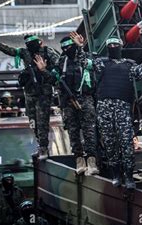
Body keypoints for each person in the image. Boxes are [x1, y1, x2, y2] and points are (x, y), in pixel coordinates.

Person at [69, 32, 142, 189]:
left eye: (115, 45)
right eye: (110, 46)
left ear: (121, 46)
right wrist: (79, 47)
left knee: (126, 145)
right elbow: (85, 62)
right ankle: (116, 175)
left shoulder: (130, 65)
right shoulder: (102, 63)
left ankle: (129, 176)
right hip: (104, 110)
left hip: (123, 111)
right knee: (110, 145)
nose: (113, 48)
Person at [0, 28, 60, 160]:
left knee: (42, 121)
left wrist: (47, 71)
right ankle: (40, 146)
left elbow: (60, 65)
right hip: (30, 93)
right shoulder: (25, 53)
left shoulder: (47, 52)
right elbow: (9, 50)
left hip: (43, 93)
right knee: (33, 121)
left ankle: (44, 148)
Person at [35, 34, 98, 175]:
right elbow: (54, 80)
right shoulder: (62, 61)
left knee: (89, 131)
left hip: (84, 99)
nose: (67, 50)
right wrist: (43, 70)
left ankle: (92, 162)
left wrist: (80, 47)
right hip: (68, 102)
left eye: (69, 47)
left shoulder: (85, 57)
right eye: (64, 48)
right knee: (73, 132)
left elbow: (87, 63)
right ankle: (79, 161)